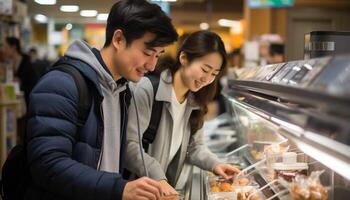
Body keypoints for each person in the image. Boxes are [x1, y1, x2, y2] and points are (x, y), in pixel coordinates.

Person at [24, 0, 178, 200]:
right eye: (147, 53)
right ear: (119, 39)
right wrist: (119, 188)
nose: (151, 65)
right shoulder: (61, 84)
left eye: (158, 55)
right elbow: (48, 164)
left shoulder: (122, 90)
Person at [125, 31, 240, 196]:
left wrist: (216, 164)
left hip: (162, 190)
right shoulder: (148, 89)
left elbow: (195, 147)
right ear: (184, 58)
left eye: (214, 74)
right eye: (204, 69)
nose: (207, 79)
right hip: (140, 189)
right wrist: (159, 178)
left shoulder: (195, 100)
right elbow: (130, 146)